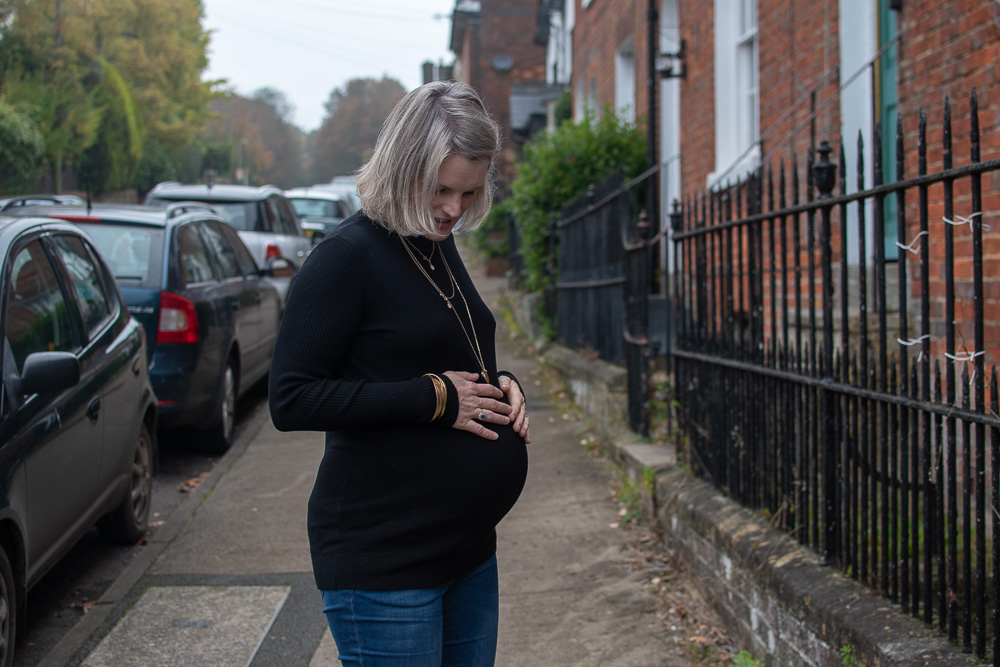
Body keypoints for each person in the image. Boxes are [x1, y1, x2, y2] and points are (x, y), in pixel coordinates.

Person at [268, 80, 531, 667]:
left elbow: (441, 349)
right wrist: (433, 398)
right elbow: (291, 398)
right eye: (439, 190)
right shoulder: (345, 258)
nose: (453, 210)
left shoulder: (434, 242)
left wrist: (500, 385)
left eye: (467, 192)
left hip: (465, 549)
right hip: (386, 563)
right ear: (401, 166)